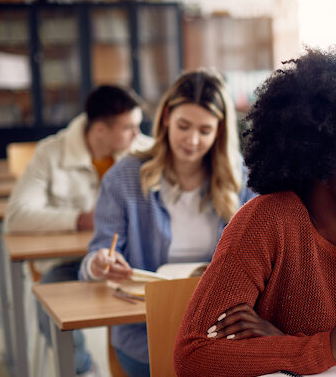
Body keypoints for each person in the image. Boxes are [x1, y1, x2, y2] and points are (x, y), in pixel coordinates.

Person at [173, 45, 336, 376]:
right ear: (325, 161)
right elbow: (195, 354)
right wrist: (329, 346)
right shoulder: (263, 222)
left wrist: (310, 345)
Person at [77, 70, 255, 376]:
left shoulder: (243, 180)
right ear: (166, 119)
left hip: (222, 330)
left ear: (220, 131)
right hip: (145, 333)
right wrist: (101, 263)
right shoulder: (123, 178)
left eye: (205, 130)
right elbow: (96, 257)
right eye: (183, 126)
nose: (192, 140)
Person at [4, 84, 151, 376]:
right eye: (129, 128)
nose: (139, 136)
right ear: (99, 130)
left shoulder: (144, 151)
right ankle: (85, 369)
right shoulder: (51, 152)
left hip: (130, 260)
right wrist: (81, 218)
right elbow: (16, 216)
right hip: (72, 263)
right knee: (48, 300)